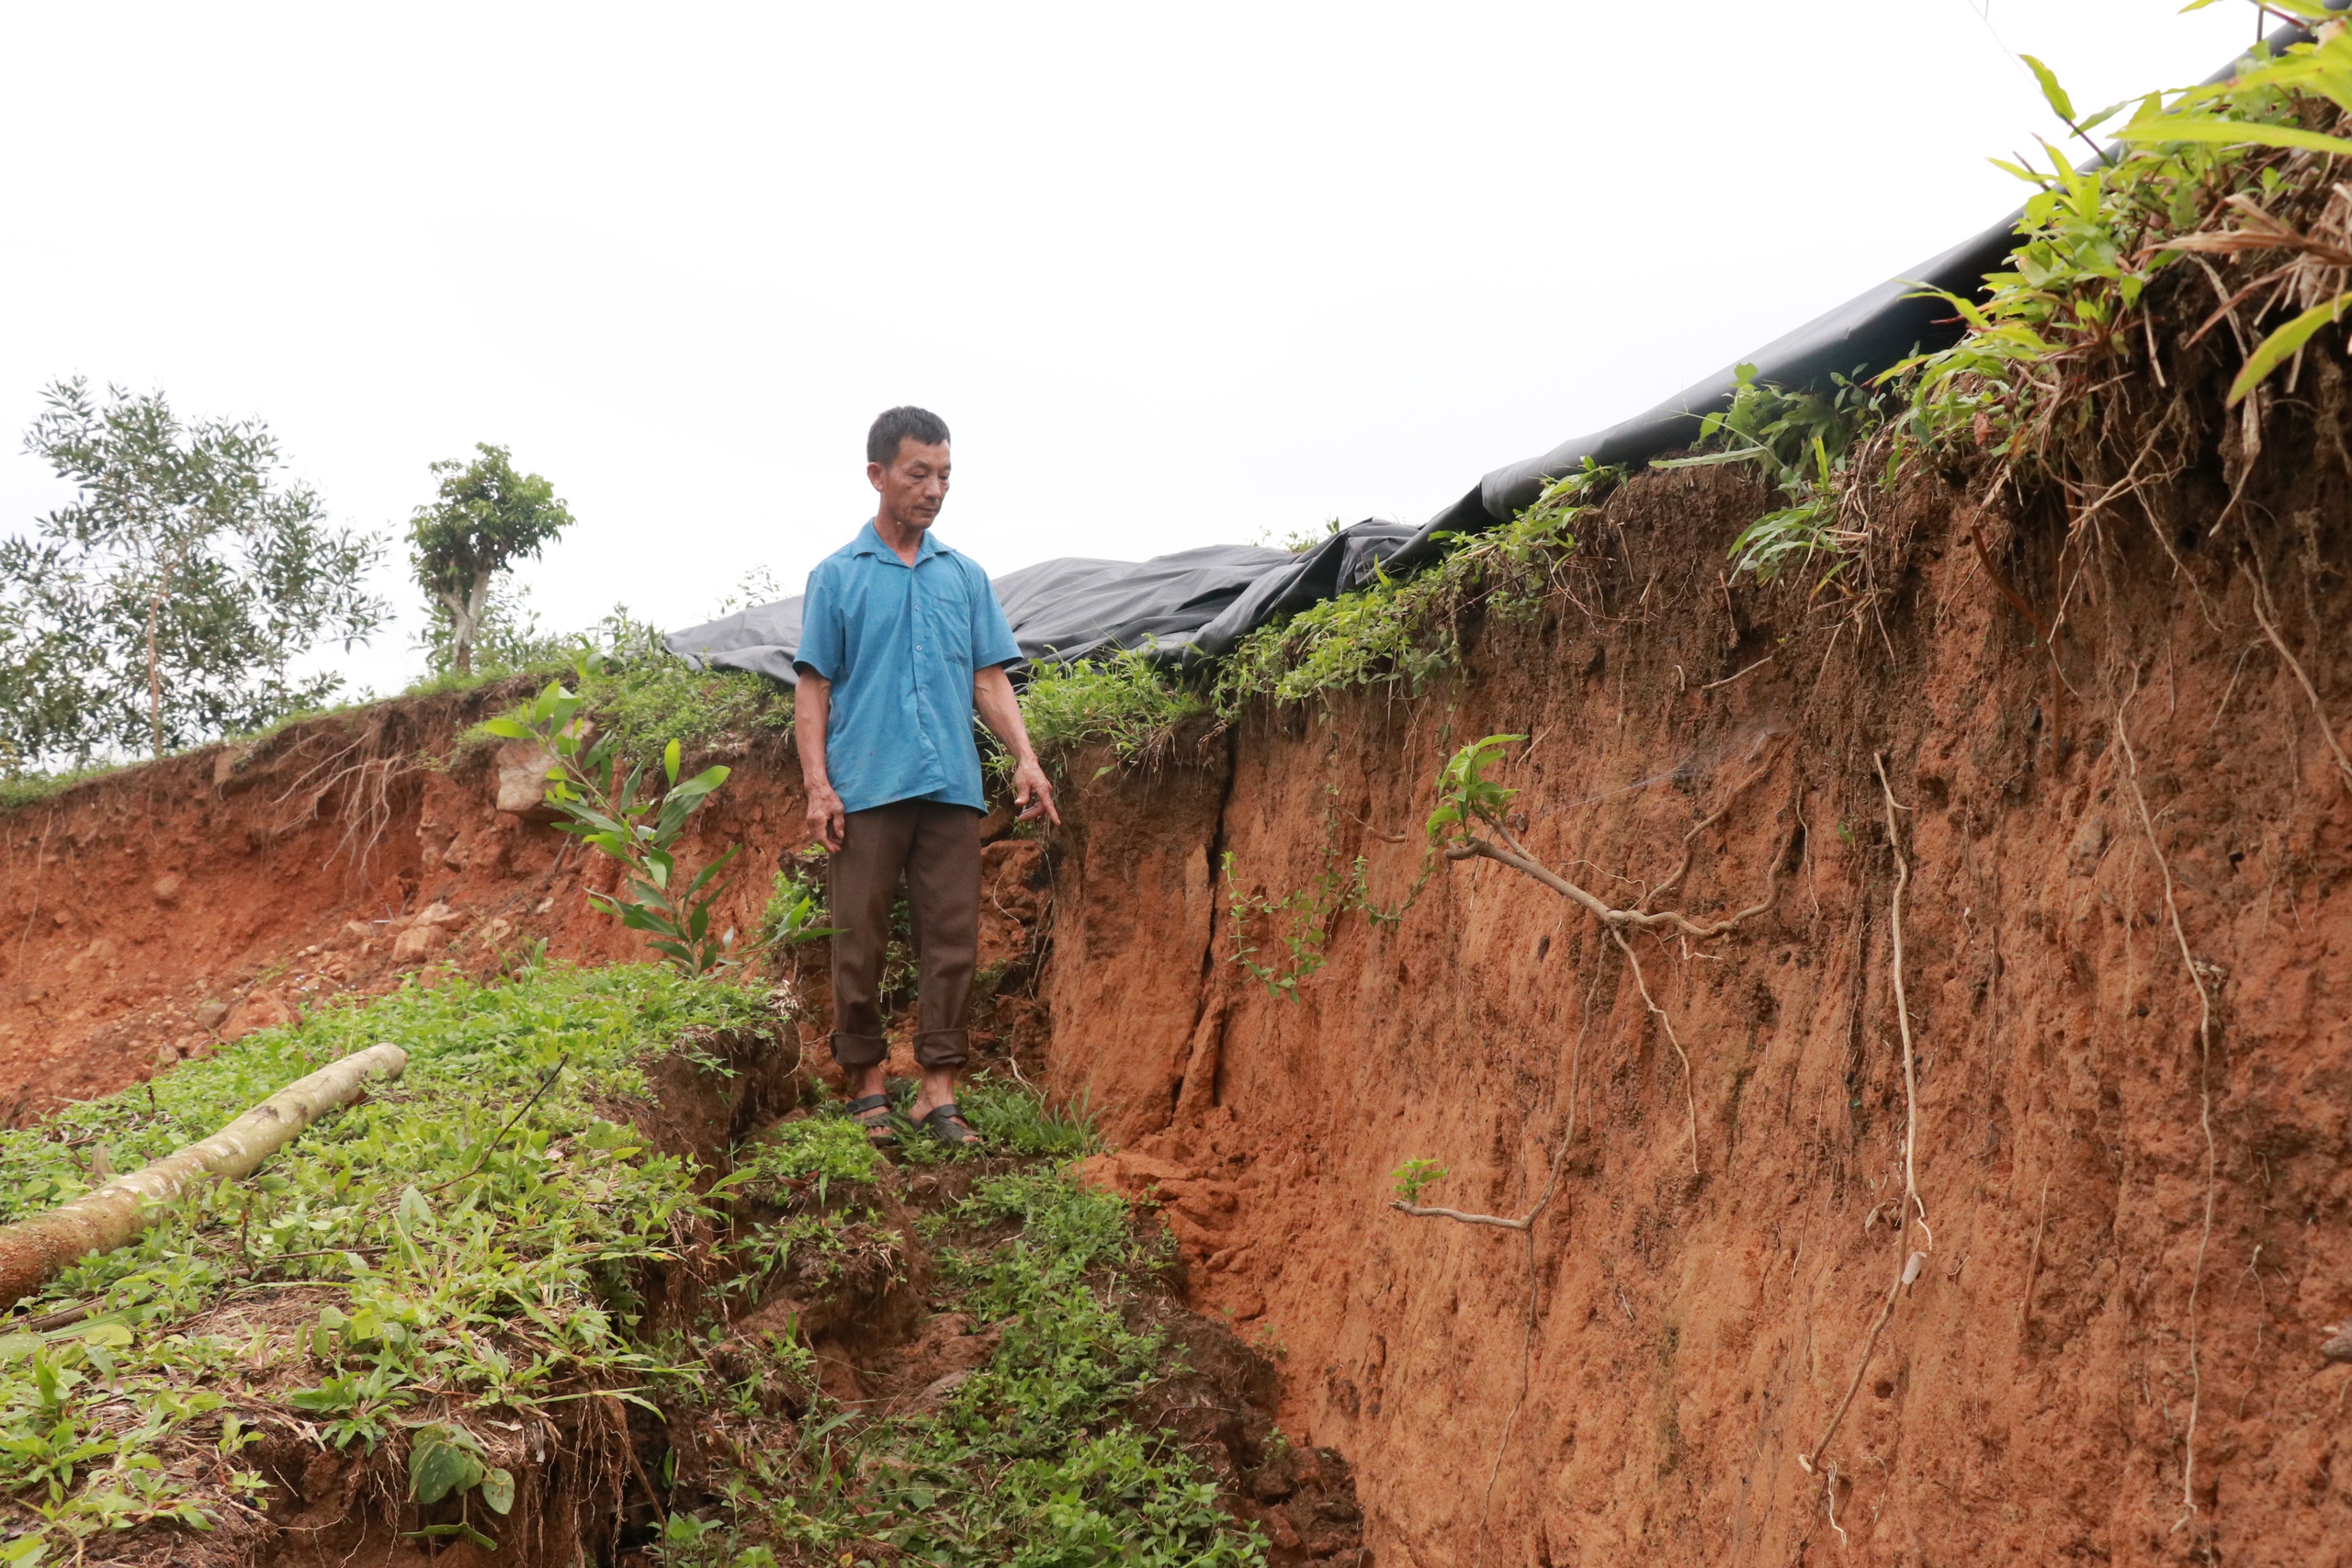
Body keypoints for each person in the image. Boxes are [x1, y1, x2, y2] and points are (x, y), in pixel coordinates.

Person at [792, 405, 1059, 1148]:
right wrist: (819, 784)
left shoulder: (964, 577)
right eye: (919, 473)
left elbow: (990, 679)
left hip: (950, 787)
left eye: (944, 475)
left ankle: (936, 1087)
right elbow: (812, 688)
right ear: (877, 474)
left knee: (952, 940)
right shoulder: (838, 578)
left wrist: (1026, 759)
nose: (934, 489)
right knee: (860, 938)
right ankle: (867, 1078)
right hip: (867, 785)